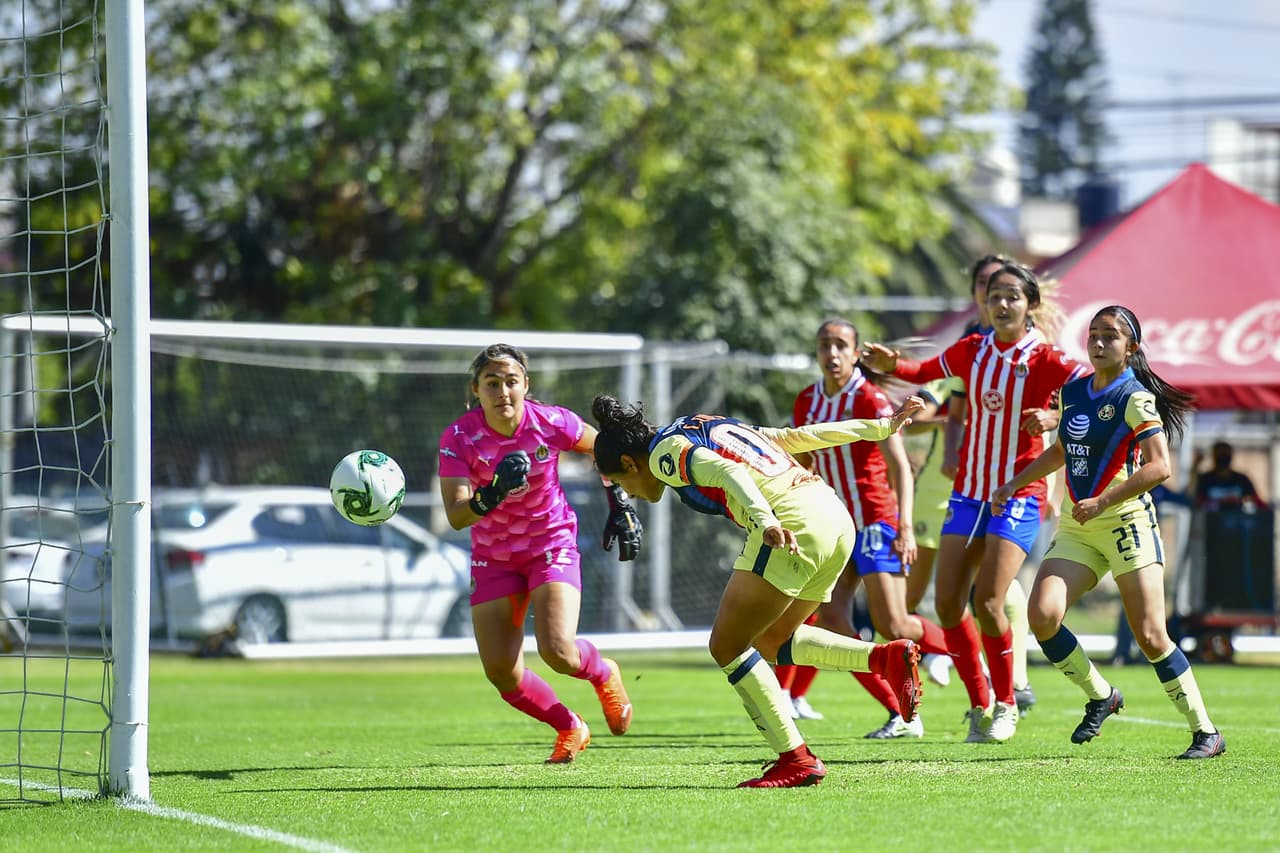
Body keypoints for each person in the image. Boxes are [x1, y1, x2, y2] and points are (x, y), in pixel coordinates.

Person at [591, 393, 925, 788]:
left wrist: (764, 519)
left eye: (621, 482)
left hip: (790, 523)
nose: (628, 492)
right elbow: (794, 438)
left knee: (726, 646)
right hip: (834, 518)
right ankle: (883, 659)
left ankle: (796, 759)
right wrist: (879, 428)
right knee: (772, 638)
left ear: (630, 463)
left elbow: (729, 473)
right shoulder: (698, 424)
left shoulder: (664, 455)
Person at [862, 261, 1088, 743]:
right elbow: (925, 371)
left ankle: (1006, 704)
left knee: (988, 600)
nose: (1001, 304)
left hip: (1017, 495)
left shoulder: (1047, 359)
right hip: (967, 494)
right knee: (945, 605)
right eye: (995, 296)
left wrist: (1052, 417)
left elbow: (1092, 389)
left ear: (1031, 305)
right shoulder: (972, 350)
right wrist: (892, 366)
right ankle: (981, 701)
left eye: (1012, 296)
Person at [991, 305, 1226, 759]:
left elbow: (1161, 467)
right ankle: (1102, 695)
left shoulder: (1135, 397)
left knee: (1152, 637)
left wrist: (1102, 501)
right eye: (1094, 334)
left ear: (1130, 348)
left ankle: (1206, 732)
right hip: (1079, 528)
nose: (1098, 343)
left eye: (1111, 336)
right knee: (1042, 616)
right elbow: (1063, 449)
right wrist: (1015, 483)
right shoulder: (1073, 391)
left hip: (1126, 523)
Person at [437, 344, 642, 765]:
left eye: (512, 382)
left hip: (551, 545)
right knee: (502, 673)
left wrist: (619, 500)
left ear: (526, 385)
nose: (503, 392)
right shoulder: (458, 437)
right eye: (492, 383)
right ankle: (569, 725)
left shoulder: (551, 421)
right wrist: (491, 493)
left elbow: (604, 450)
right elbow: (457, 515)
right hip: (493, 558)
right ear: (475, 390)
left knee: (558, 652)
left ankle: (604, 673)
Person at [791, 318, 951, 740]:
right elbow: (804, 461)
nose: (832, 353)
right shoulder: (806, 401)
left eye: (840, 344)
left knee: (893, 624)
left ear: (856, 350)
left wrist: (905, 527)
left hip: (876, 521)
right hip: (834, 527)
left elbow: (900, 464)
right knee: (833, 622)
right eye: (825, 344)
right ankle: (902, 712)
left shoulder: (868, 397)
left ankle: (961, 656)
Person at [1190, 441, 1264, 512]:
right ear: (1214, 456)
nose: (1223, 457)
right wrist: (1195, 467)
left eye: (1226, 454)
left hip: (1237, 521)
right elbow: (1193, 499)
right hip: (1210, 522)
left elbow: (1255, 501)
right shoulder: (1205, 479)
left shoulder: (1241, 479)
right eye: (1220, 454)